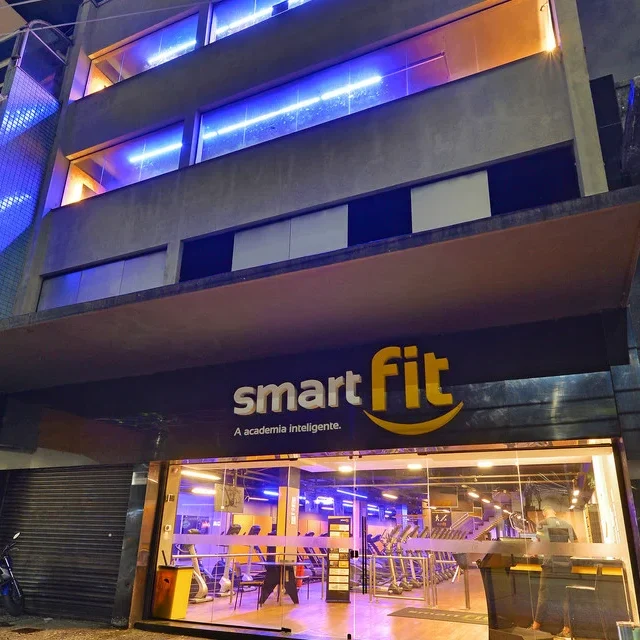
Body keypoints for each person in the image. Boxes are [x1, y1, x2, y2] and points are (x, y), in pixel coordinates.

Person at [530, 507, 577, 639]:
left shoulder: (542, 524)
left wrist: (534, 552)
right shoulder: (567, 524)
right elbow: (576, 544)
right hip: (565, 565)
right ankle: (567, 629)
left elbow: (537, 544)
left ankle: (536, 626)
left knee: (543, 595)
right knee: (566, 596)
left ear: (544, 513)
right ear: (554, 512)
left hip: (550, 564)